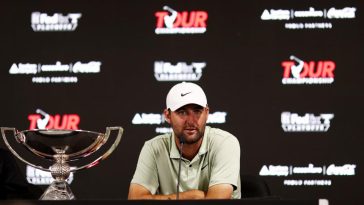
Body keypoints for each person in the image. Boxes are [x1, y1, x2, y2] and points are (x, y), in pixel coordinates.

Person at [128, 82, 241, 200]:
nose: (191, 122)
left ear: (207, 113)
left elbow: (217, 201)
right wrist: (190, 196)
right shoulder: (153, 148)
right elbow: (135, 198)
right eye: (182, 112)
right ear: (167, 115)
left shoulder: (225, 142)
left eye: (197, 111)